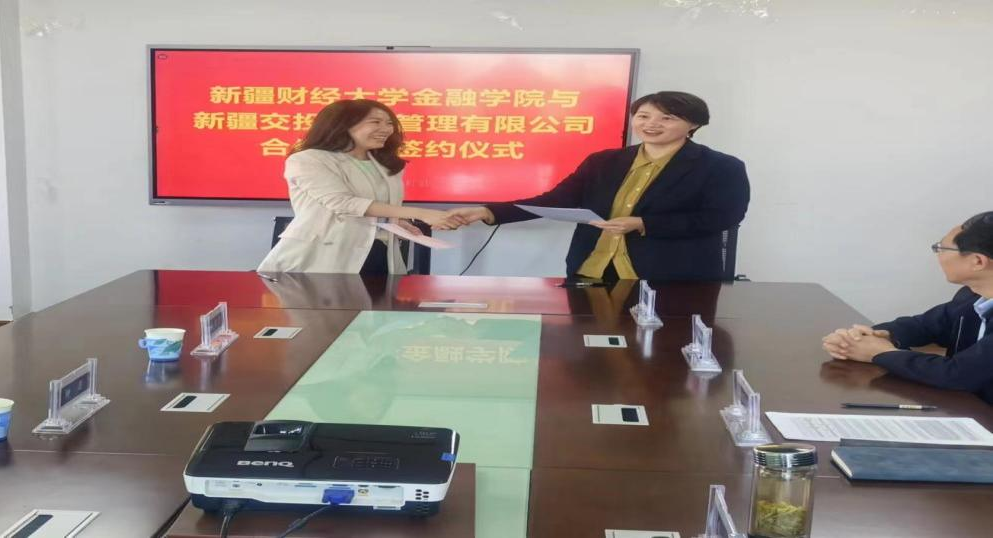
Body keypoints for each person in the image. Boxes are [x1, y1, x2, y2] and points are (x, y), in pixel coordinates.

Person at [442, 91, 750, 281]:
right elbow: (556, 200)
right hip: (593, 270)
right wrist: (487, 211)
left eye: (666, 118)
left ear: (693, 124)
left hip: (671, 277)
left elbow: (722, 217)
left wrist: (643, 224)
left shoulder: (721, 166)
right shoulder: (604, 161)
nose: (651, 124)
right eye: (643, 116)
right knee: (589, 358)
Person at [257, 99, 456, 275]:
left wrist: (396, 222)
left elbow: (379, 205)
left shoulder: (387, 164)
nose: (387, 129)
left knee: (380, 306)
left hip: (380, 255)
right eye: (375, 122)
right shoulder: (308, 159)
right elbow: (342, 203)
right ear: (343, 125)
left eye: (389, 123)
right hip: (322, 257)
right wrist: (422, 213)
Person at [823, 212, 993, 404]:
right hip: (965, 408)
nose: (938, 254)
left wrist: (880, 353)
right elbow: (923, 326)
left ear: (977, 261)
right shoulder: (971, 296)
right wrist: (870, 337)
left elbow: (957, 374)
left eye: (941, 248)